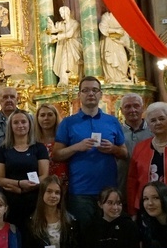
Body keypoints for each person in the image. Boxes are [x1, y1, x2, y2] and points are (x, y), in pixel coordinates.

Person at [53, 76, 127, 231]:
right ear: (79, 95)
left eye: (94, 90)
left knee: (109, 235)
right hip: (80, 191)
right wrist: (76, 147)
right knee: (84, 237)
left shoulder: (112, 121)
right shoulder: (68, 122)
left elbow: (125, 153)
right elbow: (56, 155)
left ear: (100, 94)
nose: (90, 94)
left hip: (108, 191)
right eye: (85, 90)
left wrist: (113, 149)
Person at [0, 109, 49, 236]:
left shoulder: (39, 148)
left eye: (24, 122)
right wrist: (19, 183)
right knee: (13, 236)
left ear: (30, 124)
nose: (20, 125)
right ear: (10, 126)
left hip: (34, 200)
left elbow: (44, 175)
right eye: (16, 122)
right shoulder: (3, 150)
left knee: (34, 235)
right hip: (10, 201)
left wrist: (24, 190)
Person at [116, 93, 151, 210]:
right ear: (121, 110)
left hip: (151, 190)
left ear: (143, 107)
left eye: (136, 106)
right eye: (127, 106)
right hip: (123, 189)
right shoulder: (115, 132)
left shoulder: (154, 130)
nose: (132, 110)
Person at [47, 6, 83, 87]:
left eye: (63, 13)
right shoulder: (61, 24)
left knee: (72, 64)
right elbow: (54, 30)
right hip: (64, 48)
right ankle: (64, 81)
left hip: (73, 47)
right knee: (64, 63)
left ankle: (74, 81)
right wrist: (50, 25)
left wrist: (57, 37)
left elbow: (69, 34)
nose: (62, 15)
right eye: (60, 13)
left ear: (68, 12)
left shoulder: (75, 23)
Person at [36, 103, 68, 188]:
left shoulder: (64, 140)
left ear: (56, 117)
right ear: (37, 118)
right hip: (40, 186)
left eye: (50, 115)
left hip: (63, 184)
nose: (46, 118)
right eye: (42, 115)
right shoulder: (33, 142)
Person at [99, 11, 132, 83]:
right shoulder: (106, 16)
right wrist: (116, 30)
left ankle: (122, 78)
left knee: (123, 60)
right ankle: (111, 78)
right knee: (110, 59)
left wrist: (123, 40)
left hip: (119, 42)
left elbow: (125, 32)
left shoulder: (122, 17)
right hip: (108, 41)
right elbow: (103, 28)